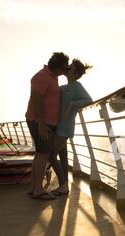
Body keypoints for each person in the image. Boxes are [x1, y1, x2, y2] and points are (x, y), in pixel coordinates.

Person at [25, 52, 69, 200]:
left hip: (46, 122)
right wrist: (41, 123)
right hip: (40, 122)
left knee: (40, 154)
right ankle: (38, 190)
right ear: (57, 67)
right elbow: (36, 99)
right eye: (64, 68)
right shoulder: (41, 77)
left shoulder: (52, 76)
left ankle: (33, 187)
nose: (64, 72)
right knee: (43, 154)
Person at [49, 59, 93, 196]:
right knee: (63, 157)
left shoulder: (77, 86)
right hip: (58, 126)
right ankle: (65, 186)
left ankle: (62, 185)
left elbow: (89, 100)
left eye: (71, 67)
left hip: (65, 127)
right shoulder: (64, 87)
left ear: (75, 73)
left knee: (51, 156)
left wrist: (72, 104)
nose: (68, 68)